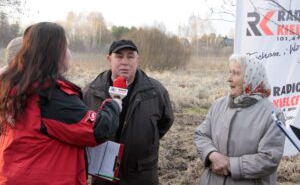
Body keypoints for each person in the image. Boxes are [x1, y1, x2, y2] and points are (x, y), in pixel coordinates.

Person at [0, 22, 122, 184]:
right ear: (55, 53)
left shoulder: (16, 86)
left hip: (17, 174)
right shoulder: (49, 95)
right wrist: (114, 104)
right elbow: (96, 129)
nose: (69, 53)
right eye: (66, 46)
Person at [83, 39, 174, 185]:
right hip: (103, 177)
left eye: (130, 56)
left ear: (137, 59)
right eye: (119, 56)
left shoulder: (156, 91)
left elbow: (165, 121)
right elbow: (83, 129)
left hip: (141, 175)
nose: (125, 62)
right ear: (109, 59)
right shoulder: (91, 92)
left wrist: (144, 140)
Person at [194, 54, 285, 185]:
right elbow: (201, 135)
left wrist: (230, 164)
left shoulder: (272, 115)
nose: (229, 79)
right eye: (230, 72)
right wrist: (212, 155)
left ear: (251, 79)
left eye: (236, 73)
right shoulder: (218, 105)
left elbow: (269, 159)